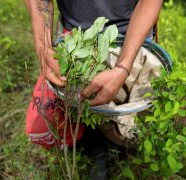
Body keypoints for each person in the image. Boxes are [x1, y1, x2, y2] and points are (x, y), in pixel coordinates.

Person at [25, 0, 163, 178]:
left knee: (135, 118)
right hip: (77, 36)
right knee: (47, 121)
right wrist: (43, 47)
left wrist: (123, 67)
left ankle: (119, 143)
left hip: (132, 35)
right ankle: (93, 144)